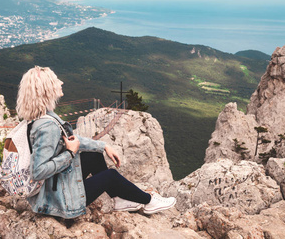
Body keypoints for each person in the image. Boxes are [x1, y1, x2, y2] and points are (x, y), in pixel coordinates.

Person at [16, 66, 176, 219]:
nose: (61, 82)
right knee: (111, 176)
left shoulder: (42, 116)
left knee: (93, 156)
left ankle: (119, 200)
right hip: (57, 202)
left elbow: (72, 140)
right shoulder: (47, 127)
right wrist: (70, 153)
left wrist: (104, 146)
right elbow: (38, 171)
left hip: (54, 189)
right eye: (56, 80)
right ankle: (149, 201)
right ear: (47, 89)